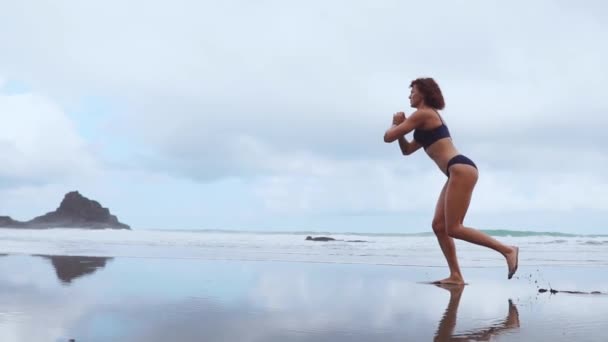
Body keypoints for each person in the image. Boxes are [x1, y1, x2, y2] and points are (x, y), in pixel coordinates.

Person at [383, 77, 518, 284]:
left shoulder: (424, 114)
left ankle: (507, 250)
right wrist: (401, 128)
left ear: (424, 94)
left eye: (413, 91)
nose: (409, 95)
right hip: (456, 170)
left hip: (460, 168)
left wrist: (395, 123)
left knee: (454, 227)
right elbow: (407, 150)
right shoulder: (423, 121)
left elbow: (388, 137)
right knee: (439, 225)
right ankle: (456, 275)